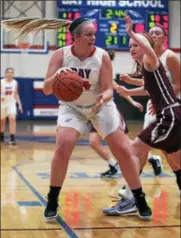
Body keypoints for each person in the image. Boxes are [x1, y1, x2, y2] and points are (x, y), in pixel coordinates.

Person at [2, 17, 152, 221]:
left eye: (94, 34)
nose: (93, 38)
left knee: (123, 151)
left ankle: (139, 198)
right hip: (72, 107)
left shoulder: (102, 56)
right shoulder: (60, 55)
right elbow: (46, 90)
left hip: (101, 106)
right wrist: (57, 76)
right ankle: (53, 198)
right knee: (63, 144)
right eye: (89, 34)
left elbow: (109, 89)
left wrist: (104, 97)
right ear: (76, 37)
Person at [103, 15, 181, 216]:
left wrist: (131, 32)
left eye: (135, 44)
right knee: (175, 160)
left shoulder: (150, 58)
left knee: (132, 152)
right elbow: (150, 88)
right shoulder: (147, 67)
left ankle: (131, 199)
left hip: (168, 116)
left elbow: (146, 47)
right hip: (173, 115)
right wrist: (129, 92)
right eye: (129, 46)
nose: (132, 48)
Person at [89, 50, 143, 178]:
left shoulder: (106, 74)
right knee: (93, 142)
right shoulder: (90, 70)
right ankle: (113, 165)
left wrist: (133, 101)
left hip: (107, 112)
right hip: (93, 113)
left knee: (123, 144)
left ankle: (151, 158)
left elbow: (119, 90)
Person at [0, 67, 23, 146]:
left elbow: (16, 94)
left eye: (11, 73)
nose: (9, 74)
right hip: (2, 104)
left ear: (13, 74)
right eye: (8, 72)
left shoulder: (15, 83)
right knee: (2, 121)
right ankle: (1, 135)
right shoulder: (1, 82)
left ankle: (12, 138)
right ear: (5, 74)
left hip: (11, 103)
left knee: (12, 118)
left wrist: (19, 104)